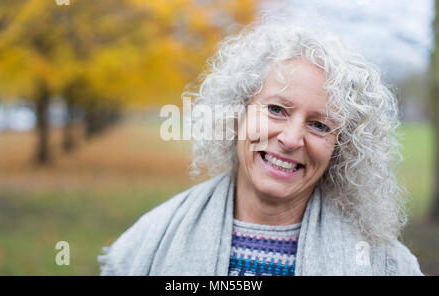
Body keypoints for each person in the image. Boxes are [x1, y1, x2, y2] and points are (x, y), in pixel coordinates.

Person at [98, 19, 423, 276]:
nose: (291, 139)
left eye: (319, 125)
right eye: (276, 110)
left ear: (341, 148)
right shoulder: (148, 242)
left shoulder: (386, 266)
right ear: (237, 113)